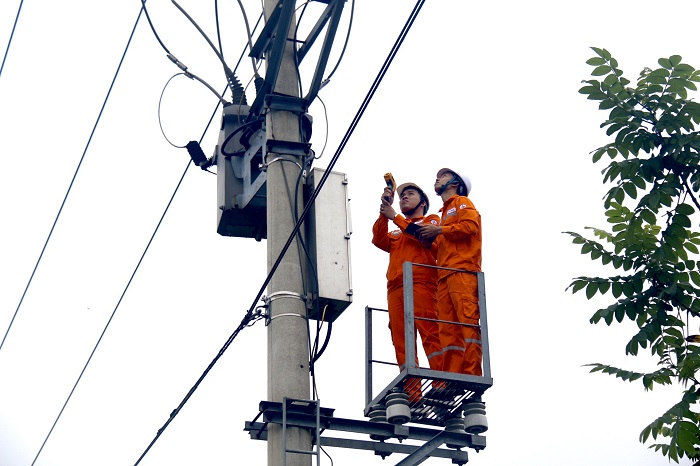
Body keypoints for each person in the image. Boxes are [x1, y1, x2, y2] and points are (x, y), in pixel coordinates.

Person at [371, 181, 444, 401]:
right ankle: (413, 393)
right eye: (402, 195)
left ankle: (441, 382)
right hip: (396, 286)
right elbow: (379, 239)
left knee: (430, 331)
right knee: (401, 338)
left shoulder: (431, 221)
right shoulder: (396, 228)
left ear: (422, 202)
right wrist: (385, 212)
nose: (404, 197)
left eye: (410, 194)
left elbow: (423, 237)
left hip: (422, 282)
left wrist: (395, 217)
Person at [417, 168, 483, 376]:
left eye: (443, 176)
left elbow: (470, 227)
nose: (437, 178)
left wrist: (440, 231)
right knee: (447, 329)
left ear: (455, 183)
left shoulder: (461, 203)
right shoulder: (444, 212)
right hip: (444, 275)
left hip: (462, 271)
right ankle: (453, 374)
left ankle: (472, 373)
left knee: (467, 321)